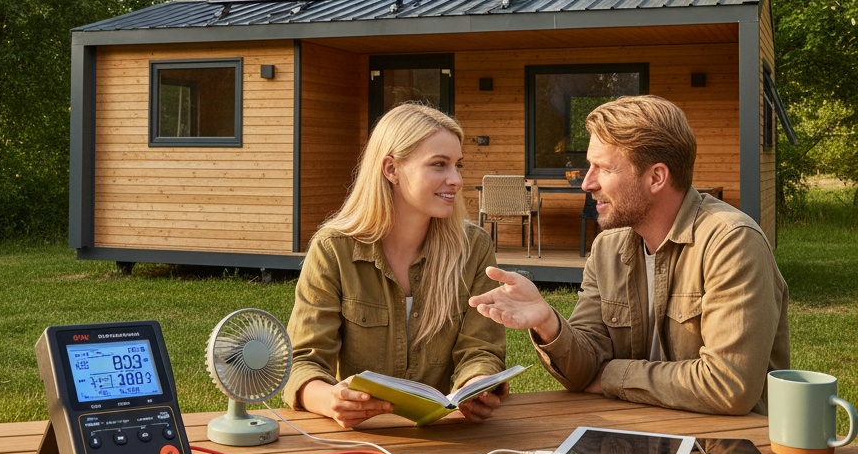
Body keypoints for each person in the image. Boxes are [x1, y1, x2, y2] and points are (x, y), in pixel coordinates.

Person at [470, 94, 790, 416]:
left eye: (603, 168)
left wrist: (612, 374)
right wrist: (548, 322)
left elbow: (727, 386)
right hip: (633, 433)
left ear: (656, 177)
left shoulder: (731, 243)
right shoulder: (607, 248)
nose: (587, 183)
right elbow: (584, 369)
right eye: (588, 166)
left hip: (725, 445)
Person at [284, 102, 507, 428]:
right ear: (391, 169)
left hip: (448, 437)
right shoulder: (333, 249)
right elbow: (303, 361)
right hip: (363, 439)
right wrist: (332, 401)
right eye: (439, 165)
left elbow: (481, 350)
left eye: (459, 165)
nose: (456, 179)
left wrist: (476, 386)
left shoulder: (474, 247)